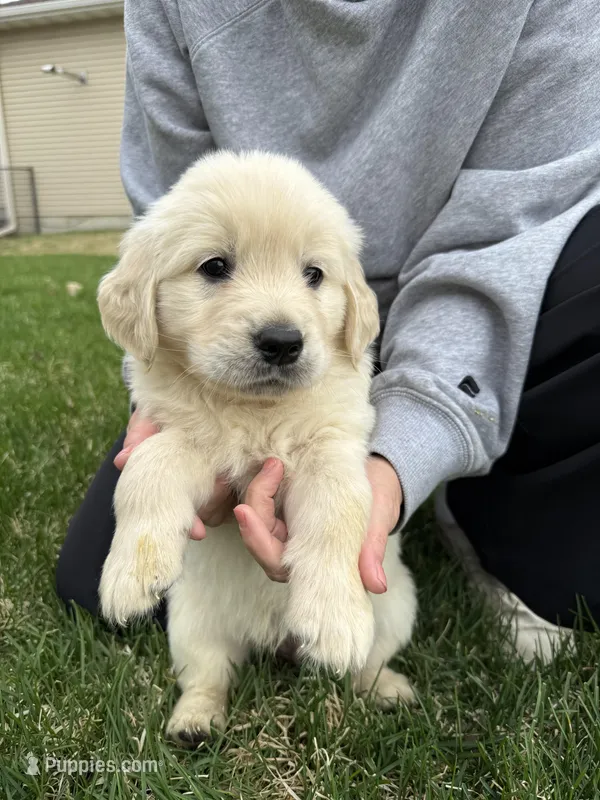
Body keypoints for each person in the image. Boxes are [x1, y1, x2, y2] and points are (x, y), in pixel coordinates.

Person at [57, 0, 600, 662]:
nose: (277, 323)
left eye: (309, 272)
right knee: (93, 588)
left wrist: (402, 455)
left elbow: (511, 230)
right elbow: (168, 222)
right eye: (219, 267)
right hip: (210, 383)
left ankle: (488, 490)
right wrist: (158, 419)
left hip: (485, 291)